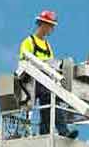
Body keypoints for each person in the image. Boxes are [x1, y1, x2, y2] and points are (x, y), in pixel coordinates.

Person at [19, 10, 75, 138]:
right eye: (51, 26)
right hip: (30, 83)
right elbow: (24, 62)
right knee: (50, 96)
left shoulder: (47, 45)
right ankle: (63, 131)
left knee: (49, 101)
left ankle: (45, 133)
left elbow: (51, 65)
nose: (52, 29)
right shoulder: (28, 42)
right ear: (43, 24)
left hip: (45, 81)